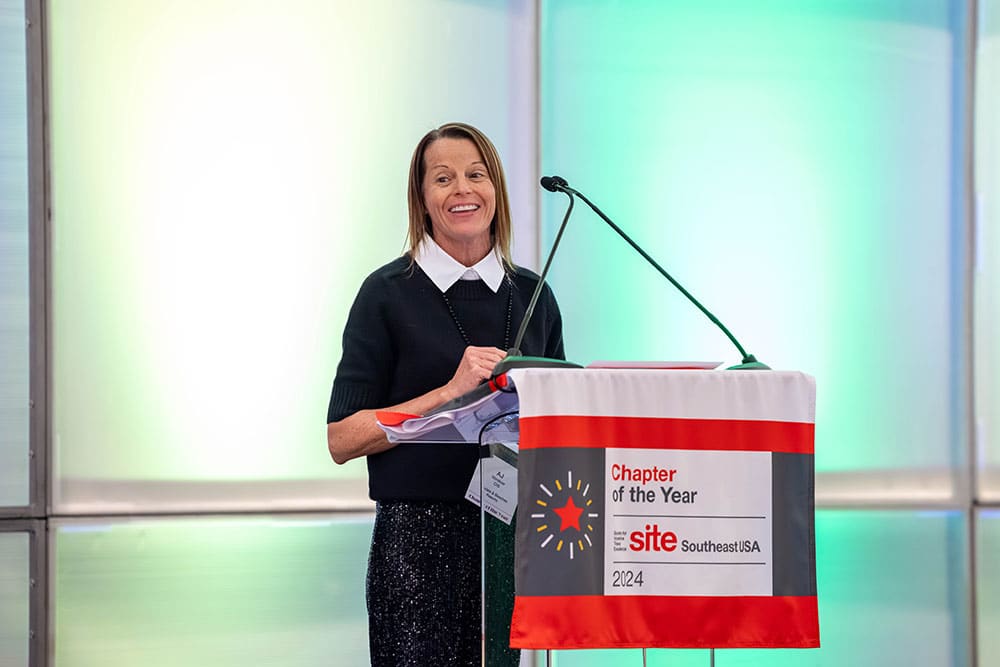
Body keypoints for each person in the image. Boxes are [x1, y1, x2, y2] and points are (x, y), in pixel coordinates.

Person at [326, 122, 565, 666]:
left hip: (509, 538)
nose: (462, 189)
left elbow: (555, 425)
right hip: (416, 543)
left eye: (476, 175)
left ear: (496, 189)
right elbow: (342, 439)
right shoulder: (385, 294)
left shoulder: (535, 295)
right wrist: (449, 393)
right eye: (443, 178)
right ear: (423, 198)